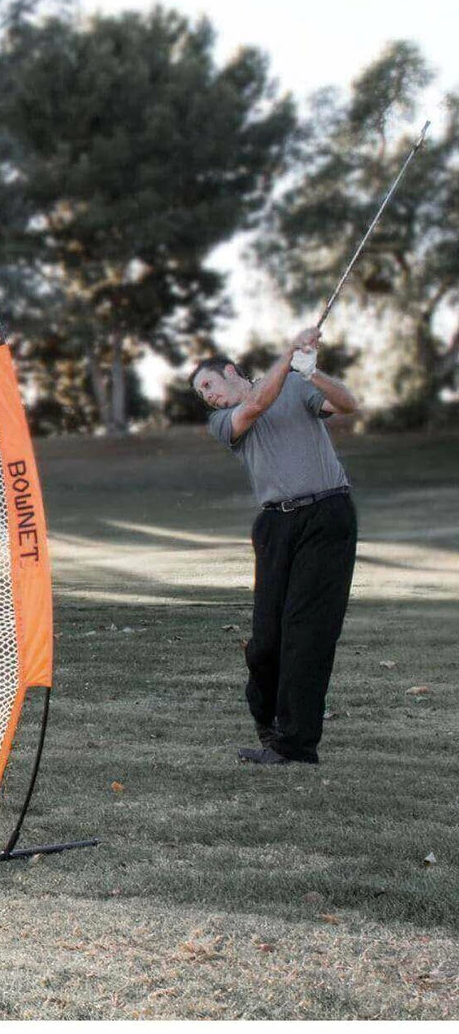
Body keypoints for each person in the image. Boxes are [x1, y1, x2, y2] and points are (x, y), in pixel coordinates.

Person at [190, 327, 358, 765]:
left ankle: (296, 744)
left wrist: (312, 372)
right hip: (275, 524)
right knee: (266, 640)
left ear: (230, 371)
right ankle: (269, 726)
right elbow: (258, 404)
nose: (208, 396)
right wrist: (288, 355)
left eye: (208, 384)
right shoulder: (224, 421)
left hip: (327, 515)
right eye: (202, 394)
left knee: (308, 632)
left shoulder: (297, 385)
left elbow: (348, 404)